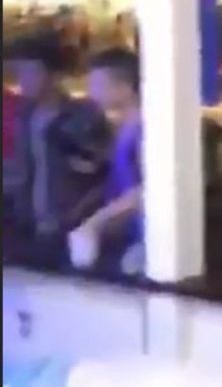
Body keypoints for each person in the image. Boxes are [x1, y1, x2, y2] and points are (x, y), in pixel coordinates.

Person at [4, 33, 112, 265]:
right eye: (18, 73)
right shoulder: (24, 116)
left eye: (30, 73)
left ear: (54, 75)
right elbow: (19, 170)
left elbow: (101, 173)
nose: (22, 81)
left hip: (70, 230)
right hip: (28, 229)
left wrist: (77, 215)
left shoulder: (83, 116)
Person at [69, 48, 144, 276]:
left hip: (147, 241)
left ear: (125, 87)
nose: (92, 93)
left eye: (98, 85)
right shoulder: (123, 127)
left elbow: (144, 191)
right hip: (127, 233)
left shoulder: (144, 131)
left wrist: (94, 223)